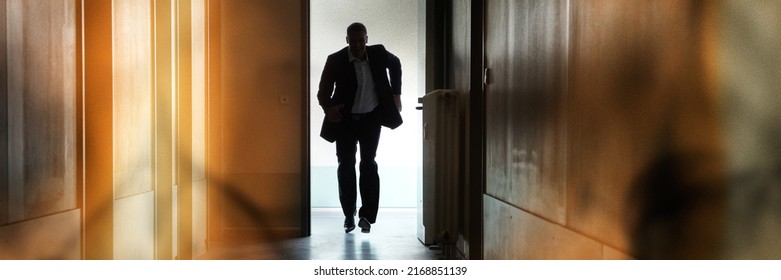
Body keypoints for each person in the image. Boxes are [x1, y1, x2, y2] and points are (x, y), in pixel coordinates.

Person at [317, 22, 403, 233]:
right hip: (345, 120)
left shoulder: (379, 53)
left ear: (367, 39)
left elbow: (396, 64)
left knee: (368, 164)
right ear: (347, 40)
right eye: (353, 41)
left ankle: (367, 216)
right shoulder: (336, 60)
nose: (357, 45)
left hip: (371, 119)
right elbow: (322, 93)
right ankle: (348, 216)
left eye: (361, 40)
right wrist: (328, 109)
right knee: (346, 165)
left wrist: (396, 94)